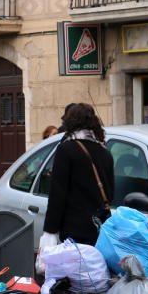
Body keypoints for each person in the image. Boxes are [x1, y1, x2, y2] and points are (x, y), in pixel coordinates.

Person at [41, 103, 114, 248]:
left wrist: (50, 231)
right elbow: (110, 194)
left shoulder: (66, 150)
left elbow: (57, 196)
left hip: (74, 234)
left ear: (71, 122)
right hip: (100, 232)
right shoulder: (105, 152)